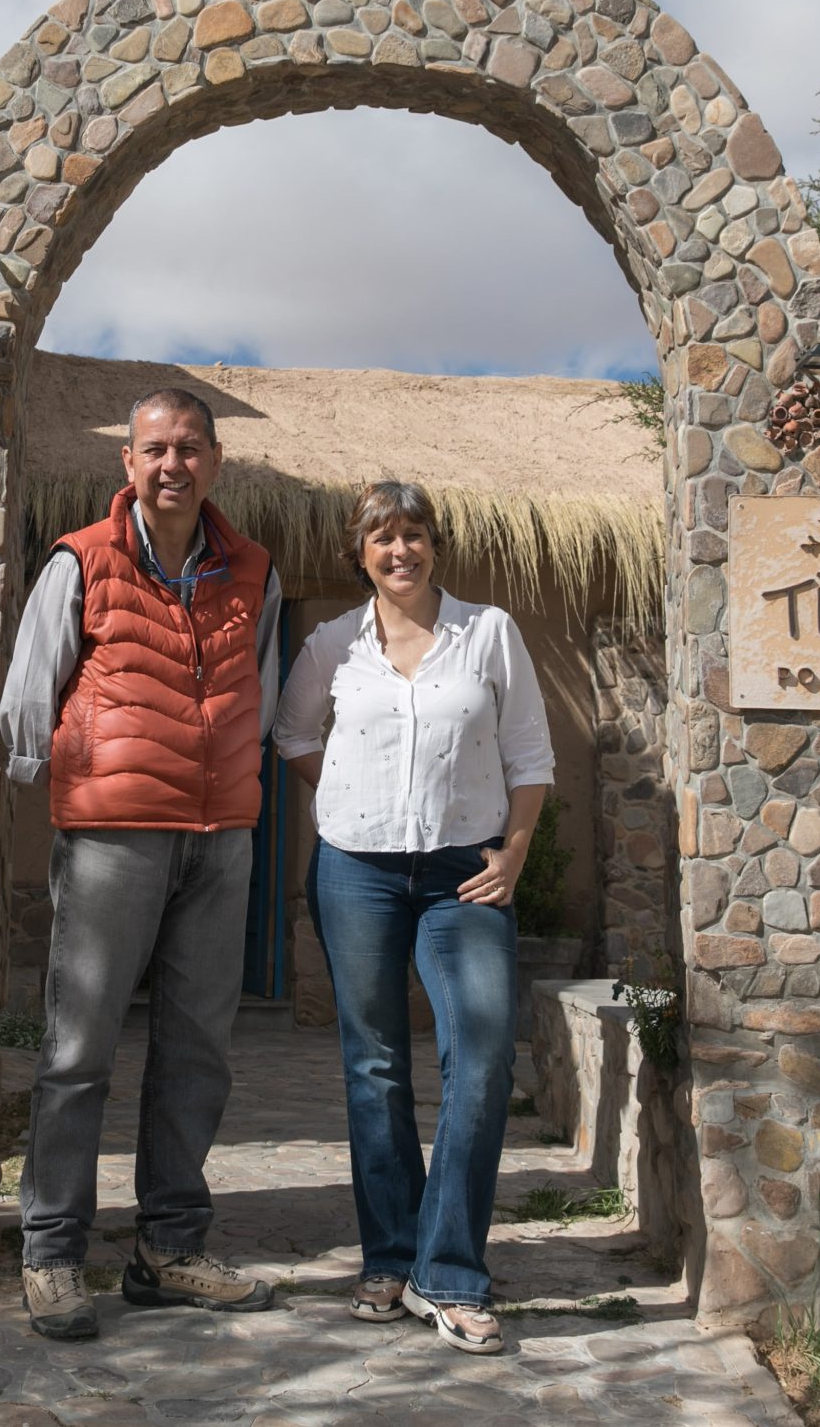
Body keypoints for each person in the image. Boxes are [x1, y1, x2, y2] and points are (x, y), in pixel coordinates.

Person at [0, 386, 283, 1342]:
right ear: (128, 463)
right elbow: (30, 688)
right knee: (79, 1049)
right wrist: (41, 778)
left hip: (220, 838)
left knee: (199, 1051)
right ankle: (52, 1253)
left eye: (191, 449)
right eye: (155, 448)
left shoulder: (257, 573)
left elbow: (265, 696)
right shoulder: (80, 561)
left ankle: (168, 1249)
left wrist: (244, 782)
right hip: (115, 832)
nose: (173, 465)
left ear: (215, 463)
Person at [273, 479, 553, 1357]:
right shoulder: (330, 645)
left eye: (415, 536)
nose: (401, 552)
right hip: (354, 871)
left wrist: (513, 852)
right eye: (383, 539)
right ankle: (390, 1258)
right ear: (361, 553)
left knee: (482, 1050)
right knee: (377, 1065)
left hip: (463, 875)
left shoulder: (489, 634)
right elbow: (291, 737)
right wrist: (353, 801)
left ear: (436, 545)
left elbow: (530, 755)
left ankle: (451, 1270)